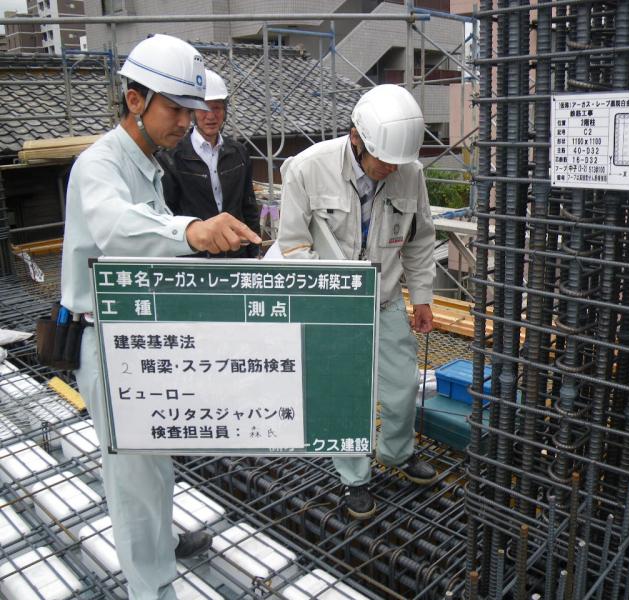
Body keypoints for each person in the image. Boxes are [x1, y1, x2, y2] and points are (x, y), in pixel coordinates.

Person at [60, 34, 260, 599]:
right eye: (175, 108)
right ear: (134, 100)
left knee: (154, 464)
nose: (185, 121)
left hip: (141, 338)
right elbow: (116, 228)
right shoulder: (98, 164)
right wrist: (191, 231)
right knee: (132, 480)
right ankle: (151, 588)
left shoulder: (149, 162)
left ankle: (160, 547)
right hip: (105, 341)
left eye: (191, 110)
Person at [276, 84, 438, 519]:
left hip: (384, 301)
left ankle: (396, 452)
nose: (390, 168)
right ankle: (354, 479)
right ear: (356, 139)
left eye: (398, 162)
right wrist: (329, 290)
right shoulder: (308, 169)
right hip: (333, 307)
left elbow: (420, 242)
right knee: (346, 394)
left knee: (403, 386)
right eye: (383, 159)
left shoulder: (409, 173)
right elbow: (291, 244)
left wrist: (422, 297)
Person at [158, 69, 260, 258]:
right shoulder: (172, 158)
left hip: (237, 253)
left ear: (225, 111)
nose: (211, 116)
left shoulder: (238, 153)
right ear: (193, 112)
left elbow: (248, 206)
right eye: (203, 108)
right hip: (196, 259)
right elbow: (168, 215)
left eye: (217, 108)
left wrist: (255, 251)